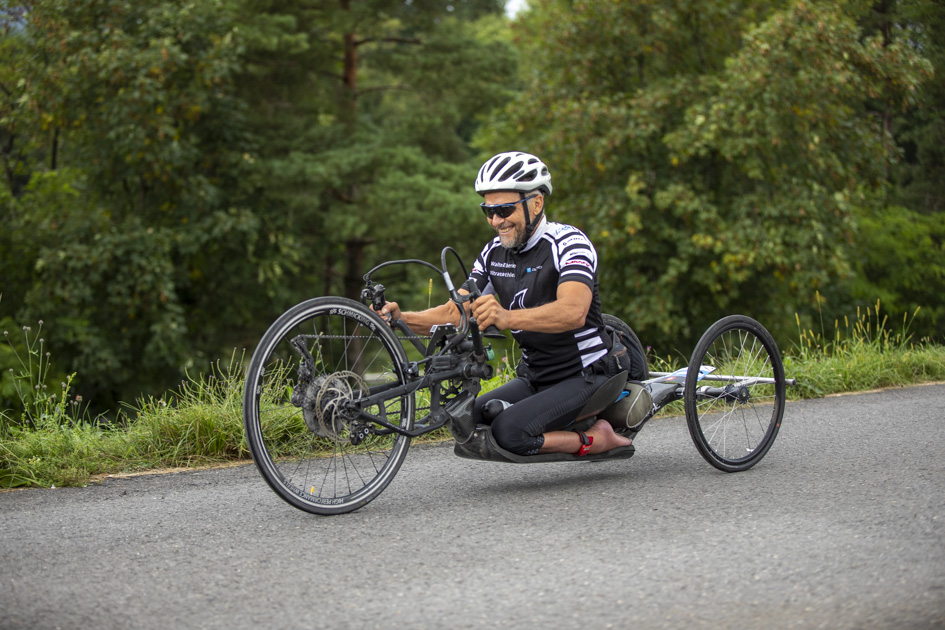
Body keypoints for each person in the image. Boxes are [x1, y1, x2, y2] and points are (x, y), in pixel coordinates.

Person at [378, 151, 634, 457]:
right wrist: (398, 318)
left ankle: (597, 438)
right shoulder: (492, 253)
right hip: (537, 375)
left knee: (508, 432)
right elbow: (454, 312)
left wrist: (507, 317)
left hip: (588, 373)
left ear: (536, 203)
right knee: (467, 419)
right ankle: (560, 419)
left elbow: (574, 312)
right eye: (489, 211)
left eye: (505, 210)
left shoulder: (568, 244)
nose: (496, 221)